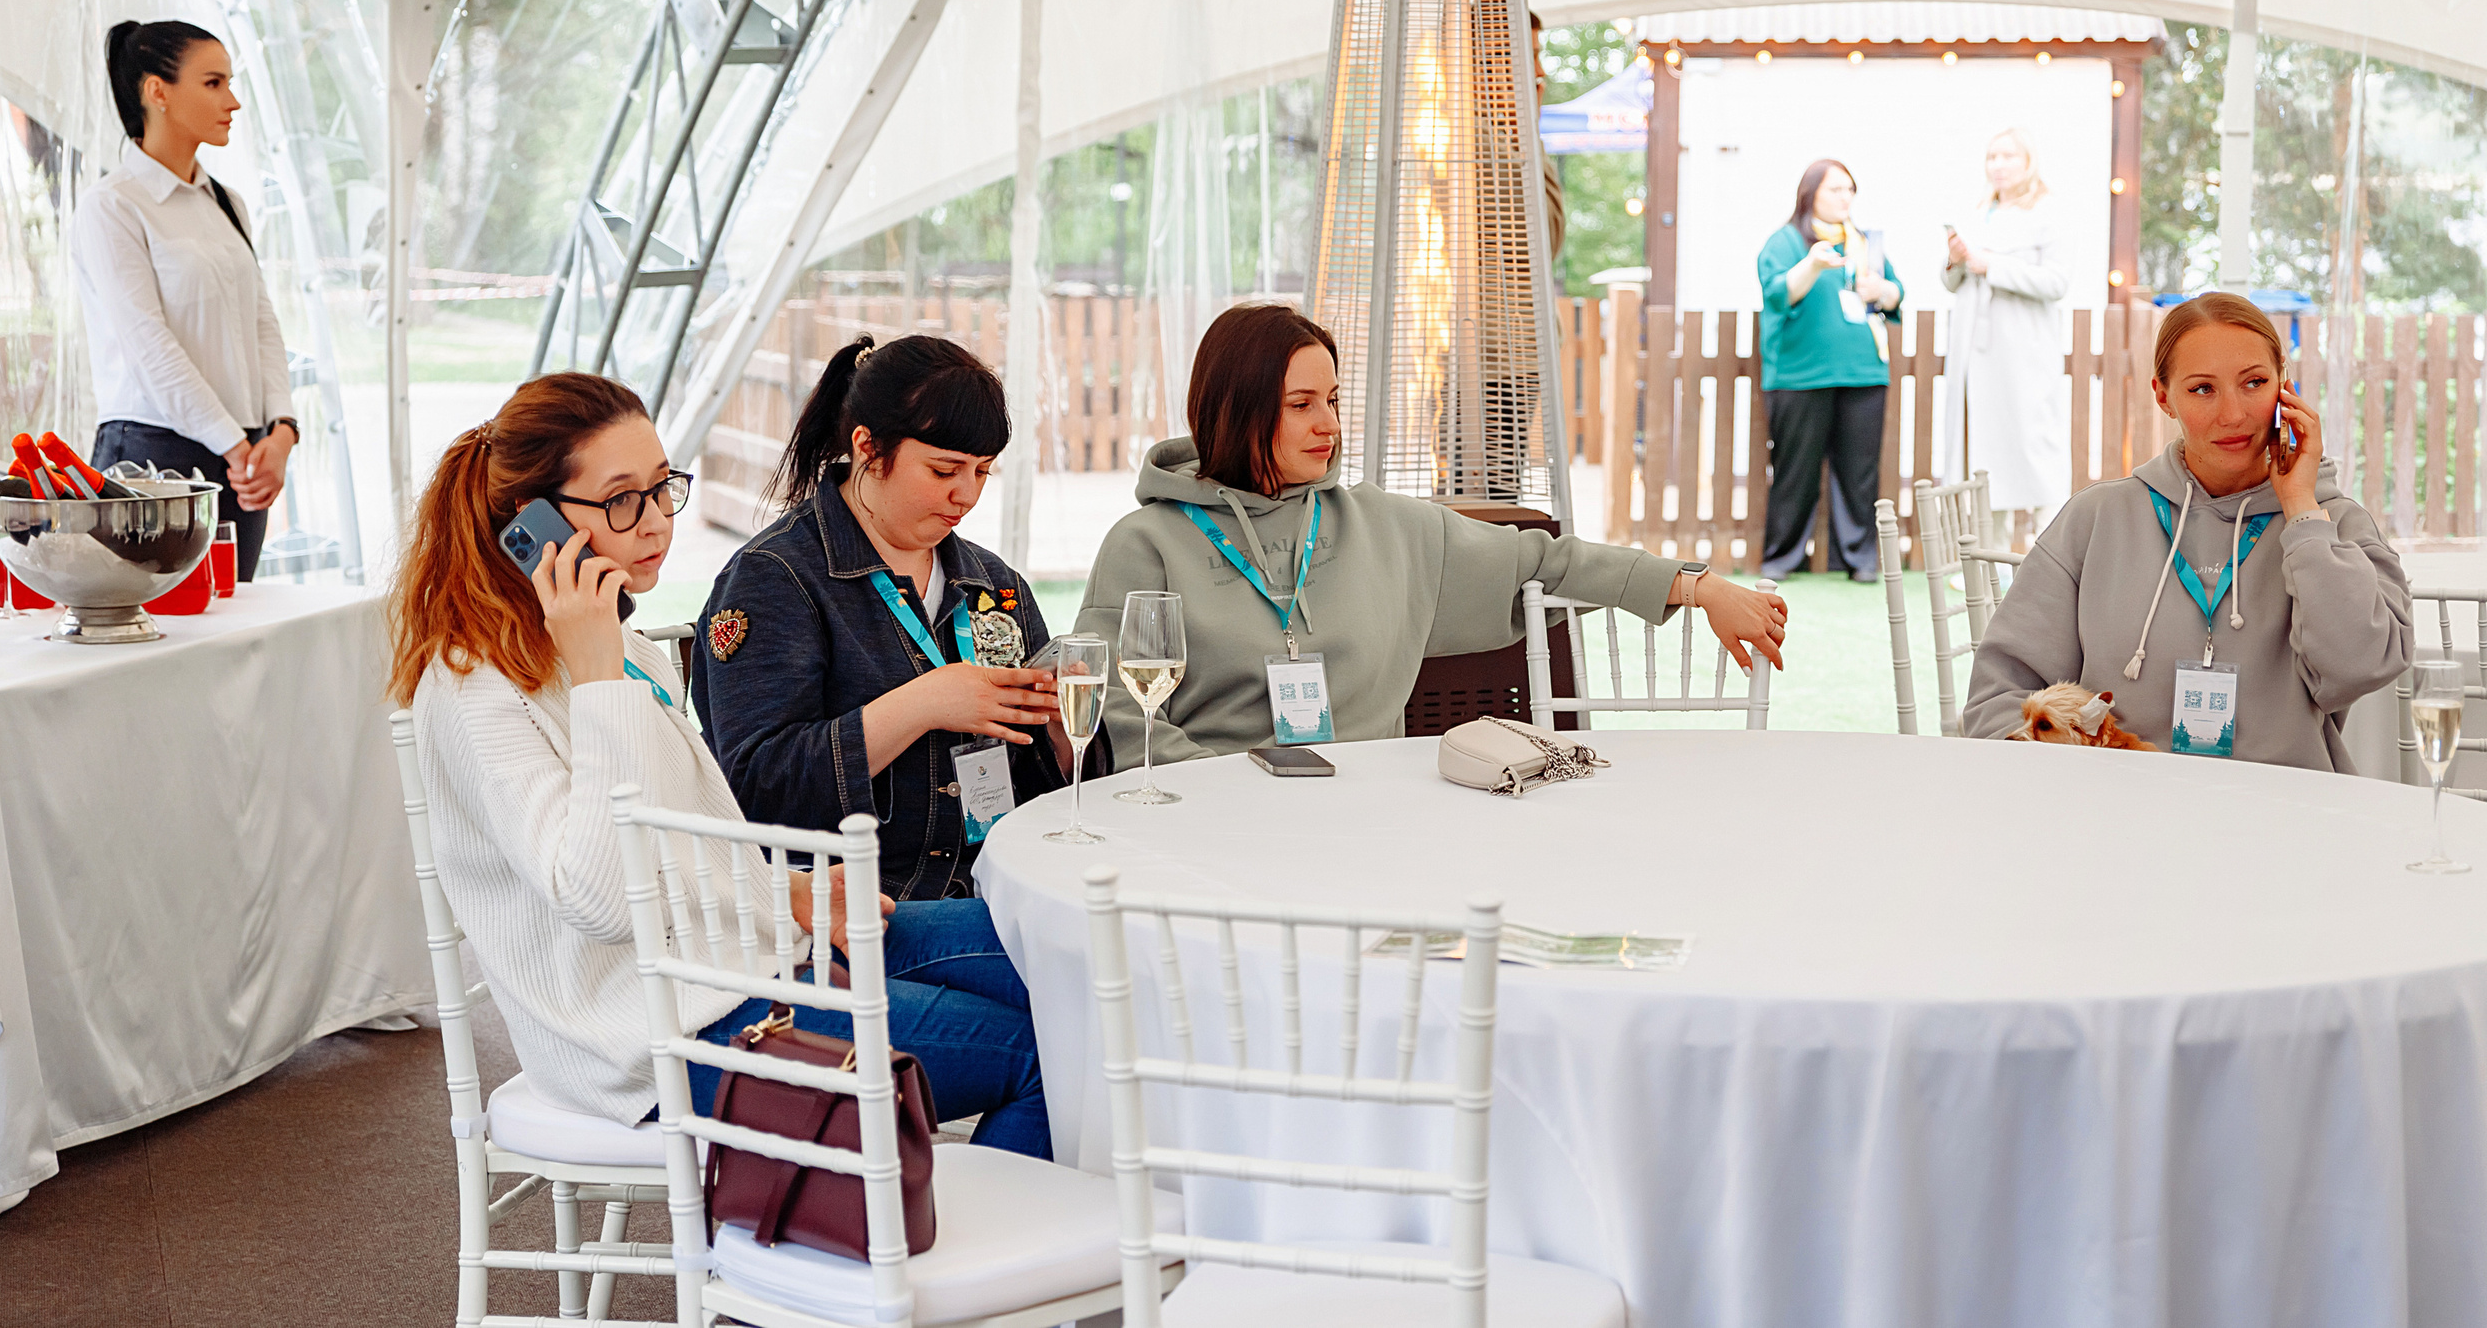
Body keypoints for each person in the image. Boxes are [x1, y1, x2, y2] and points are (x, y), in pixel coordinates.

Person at [392, 372, 1049, 1155]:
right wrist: (599, 675)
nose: (657, 521)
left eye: (662, 486)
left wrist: (795, 890)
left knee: (1053, 954)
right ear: (530, 523)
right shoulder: (476, 685)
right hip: (655, 1033)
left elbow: (676, 841)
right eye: (621, 499)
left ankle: (946, 1234)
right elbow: (600, 899)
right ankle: (933, 1260)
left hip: (742, 953)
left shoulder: (621, 646)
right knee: (1041, 1052)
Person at [1075, 303, 1789, 766]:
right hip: (1212, 827)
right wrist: (1218, 790)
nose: (1329, 425)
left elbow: (1545, 561)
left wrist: (1696, 587)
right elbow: (1108, 702)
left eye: (1331, 400)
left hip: (1372, 826)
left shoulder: (1383, 525)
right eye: (1301, 405)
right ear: (1233, 410)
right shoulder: (1146, 543)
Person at [693, 335, 1067, 902]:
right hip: (863, 911)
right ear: (868, 447)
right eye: (944, 470)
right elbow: (756, 788)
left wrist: (1064, 728)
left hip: (998, 888)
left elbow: (1046, 789)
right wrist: (925, 703)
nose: (966, 495)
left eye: (983, 472)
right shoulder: (775, 579)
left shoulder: (995, 585)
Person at [1964, 293, 2410, 767]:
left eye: (2254, 383)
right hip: (2118, 818)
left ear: (2285, 385)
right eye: (2202, 389)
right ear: (2163, 396)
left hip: (2282, 819)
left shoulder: (2334, 522)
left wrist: (2300, 509)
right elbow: (1999, 700)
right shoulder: (2096, 518)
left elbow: (2360, 669)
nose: (2233, 414)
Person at [72, 20, 296, 579]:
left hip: (239, 459)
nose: (233, 101)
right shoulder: (114, 207)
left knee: (231, 643)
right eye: (214, 83)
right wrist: (238, 449)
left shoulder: (227, 203)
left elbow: (262, 322)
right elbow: (149, 345)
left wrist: (282, 433)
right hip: (154, 457)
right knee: (154, 651)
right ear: (158, 91)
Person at [1756, 159, 1905, 581]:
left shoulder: (1863, 243)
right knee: (1794, 471)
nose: (1845, 198)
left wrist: (1885, 291)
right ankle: (1783, 558)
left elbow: (1895, 295)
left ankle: (1857, 560)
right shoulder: (1786, 242)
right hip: (1801, 376)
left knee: (1860, 473)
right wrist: (1814, 264)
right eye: (1834, 189)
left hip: (1863, 374)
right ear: (1810, 194)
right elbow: (1778, 293)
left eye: (1849, 190)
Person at [1942, 129, 2071, 544]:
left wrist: (1992, 265)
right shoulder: (1978, 211)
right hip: (1977, 355)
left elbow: (2056, 281)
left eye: (2008, 156)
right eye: (1991, 156)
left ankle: (2047, 556)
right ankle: (1989, 562)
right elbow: (1953, 281)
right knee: (1984, 456)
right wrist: (1956, 261)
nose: (1998, 165)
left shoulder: (2047, 213)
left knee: (2036, 449)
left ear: (2028, 161)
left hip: (2024, 353)